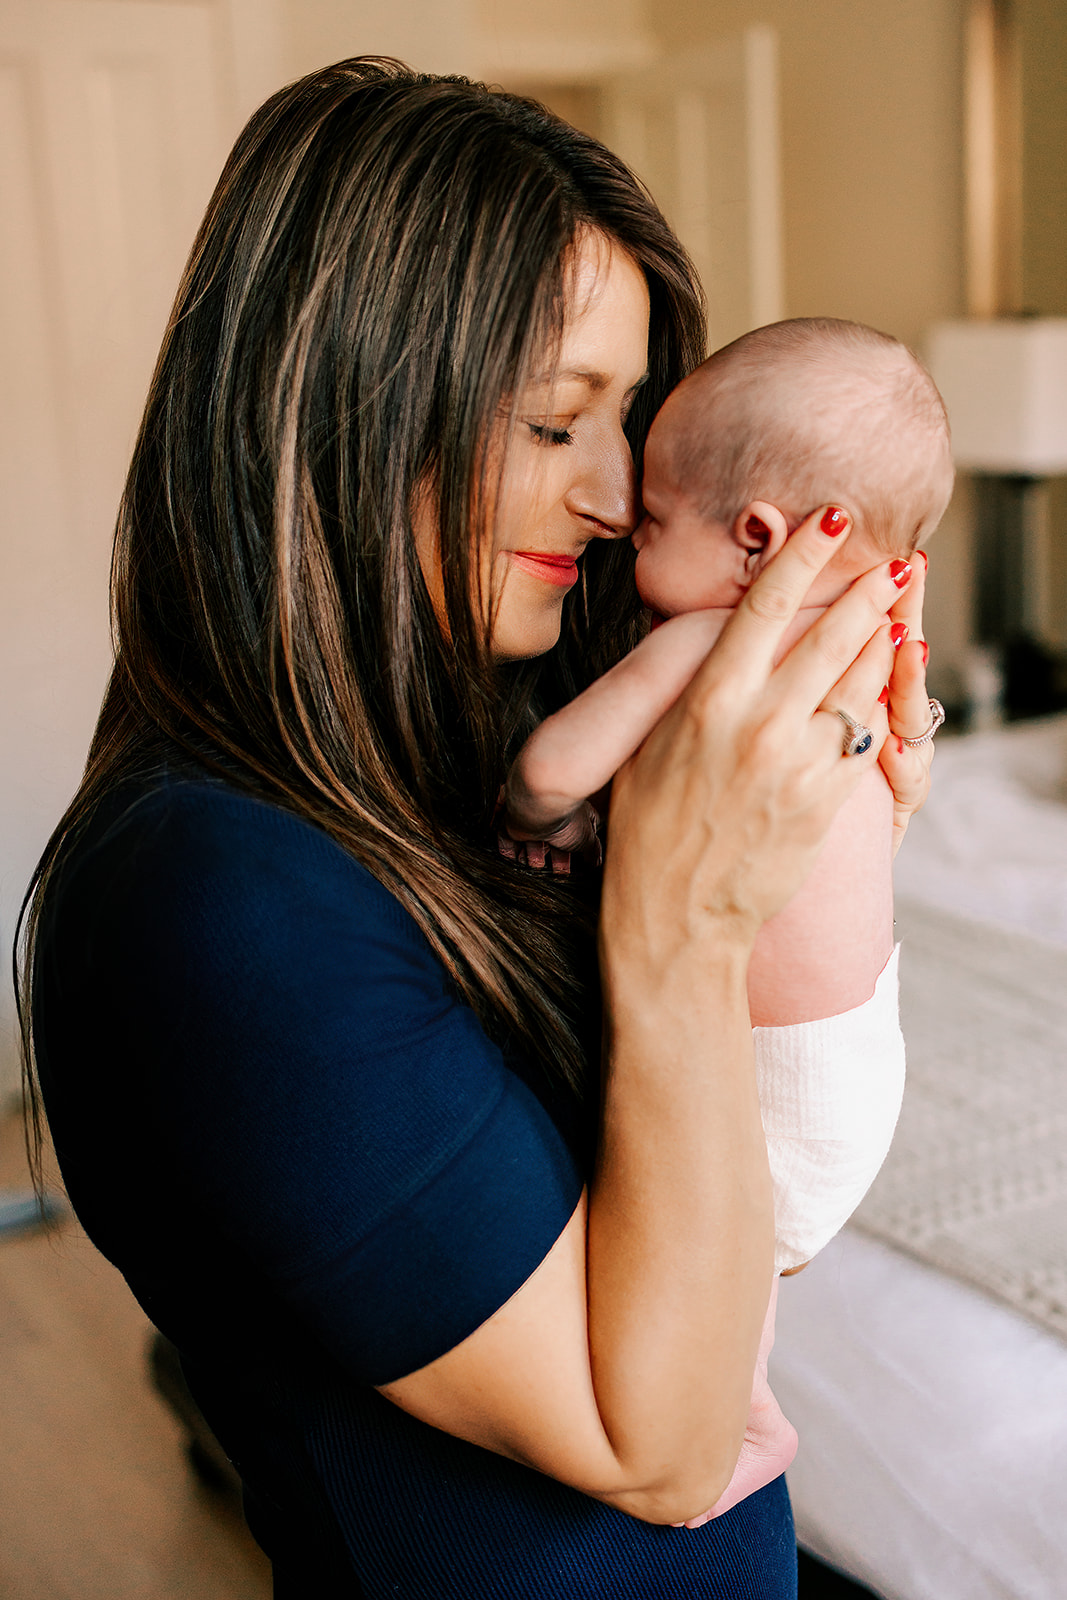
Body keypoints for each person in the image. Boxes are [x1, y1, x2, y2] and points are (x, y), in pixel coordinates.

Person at [17, 59, 938, 1598]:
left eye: (627, 423)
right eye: (551, 419)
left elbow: (713, 1229)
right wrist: (687, 917)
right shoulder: (217, 897)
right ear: (334, 404)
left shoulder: (445, 772)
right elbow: (664, 1444)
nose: (614, 495)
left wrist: (816, 879)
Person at [502, 317, 955, 1277]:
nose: (627, 525)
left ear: (755, 542)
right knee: (746, 1270)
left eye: (657, 520)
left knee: (686, 1273)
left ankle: (736, 1412)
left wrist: (535, 820)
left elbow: (547, 770)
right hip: (856, 1073)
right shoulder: (867, 670)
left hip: (754, 1074)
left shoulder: (712, 644)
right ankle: (745, 1406)